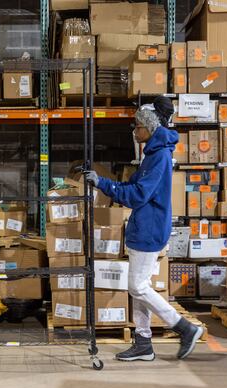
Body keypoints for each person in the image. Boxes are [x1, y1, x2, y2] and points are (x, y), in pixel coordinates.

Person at [85, 96, 204, 362]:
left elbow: (138, 195)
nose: (134, 130)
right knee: (139, 286)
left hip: (149, 229)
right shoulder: (152, 153)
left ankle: (185, 328)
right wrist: (105, 185)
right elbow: (134, 188)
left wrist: (103, 184)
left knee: (137, 286)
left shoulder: (159, 156)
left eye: (137, 126)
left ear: (149, 128)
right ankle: (143, 342)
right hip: (144, 226)